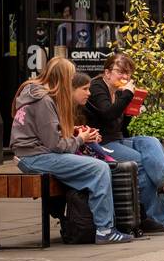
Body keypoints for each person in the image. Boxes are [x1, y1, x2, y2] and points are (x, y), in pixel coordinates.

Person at [11, 58, 136, 244]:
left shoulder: (38, 95)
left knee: (97, 166)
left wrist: (77, 133)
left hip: (34, 153)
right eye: (71, 76)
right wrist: (80, 139)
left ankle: (94, 225)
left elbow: (51, 136)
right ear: (63, 78)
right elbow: (57, 145)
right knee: (99, 168)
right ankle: (105, 229)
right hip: (35, 156)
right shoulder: (43, 100)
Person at [85, 52, 164, 233]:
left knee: (150, 142)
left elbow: (120, 126)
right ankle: (150, 219)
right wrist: (127, 96)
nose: (125, 77)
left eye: (128, 73)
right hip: (101, 143)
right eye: (120, 72)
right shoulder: (98, 87)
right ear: (107, 73)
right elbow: (107, 114)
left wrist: (130, 110)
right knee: (140, 161)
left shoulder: (118, 92)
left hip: (118, 139)